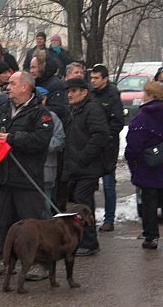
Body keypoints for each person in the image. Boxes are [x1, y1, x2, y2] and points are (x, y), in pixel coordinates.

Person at [0, 71, 54, 278]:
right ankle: (5, 261)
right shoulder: (2, 109)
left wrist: (12, 138)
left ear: (25, 87)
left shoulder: (40, 112)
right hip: (3, 176)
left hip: (27, 178)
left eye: (13, 83)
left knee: (32, 223)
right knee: (4, 222)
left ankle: (40, 264)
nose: (8, 87)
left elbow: (41, 140)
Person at [125, 82, 163, 249]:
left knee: (149, 201)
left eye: (145, 93)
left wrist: (133, 160)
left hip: (148, 164)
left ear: (151, 95)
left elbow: (134, 144)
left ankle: (151, 237)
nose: (143, 96)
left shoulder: (144, 117)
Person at [62, 78, 109, 256]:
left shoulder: (92, 109)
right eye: (68, 91)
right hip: (76, 167)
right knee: (80, 202)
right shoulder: (74, 110)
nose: (70, 94)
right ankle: (85, 240)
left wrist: (83, 157)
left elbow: (100, 136)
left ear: (84, 92)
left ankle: (89, 242)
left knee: (83, 203)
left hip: (88, 167)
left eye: (74, 91)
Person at [90, 64, 124, 232]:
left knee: (108, 184)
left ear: (105, 79)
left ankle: (109, 219)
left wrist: (106, 137)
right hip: (91, 144)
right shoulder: (90, 94)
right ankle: (89, 218)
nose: (93, 81)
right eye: (91, 78)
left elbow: (117, 121)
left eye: (96, 78)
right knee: (89, 183)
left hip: (108, 146)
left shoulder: (112, 96)